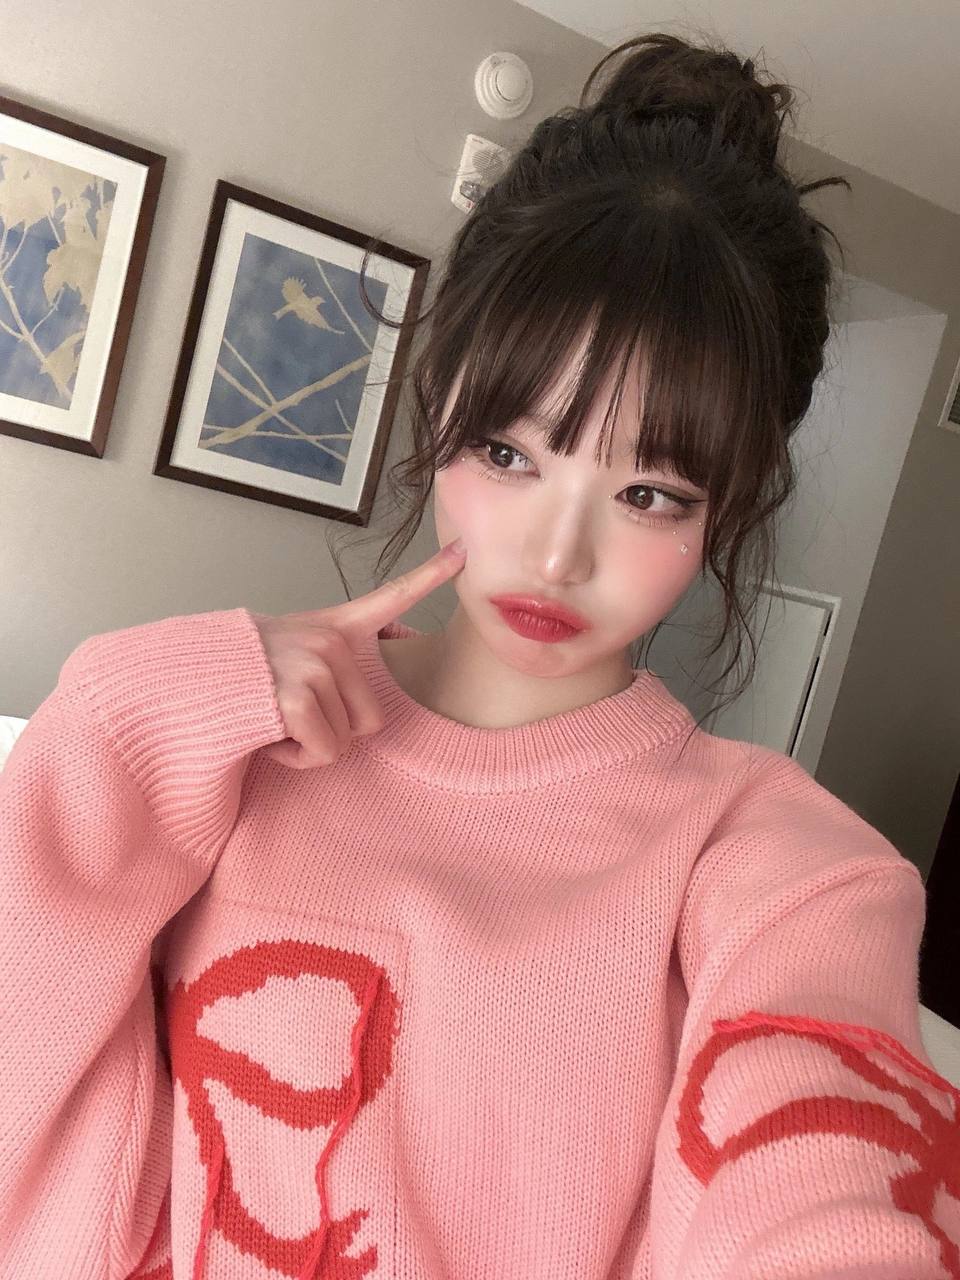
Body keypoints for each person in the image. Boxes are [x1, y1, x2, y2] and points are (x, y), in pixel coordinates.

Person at [1, 29, 957, 1280]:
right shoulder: (228, 748)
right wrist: (129, 716)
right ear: (439, 399)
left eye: (651, 493)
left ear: (731, 503)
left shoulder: (779, 868)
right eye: (510, 453)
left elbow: (823, 1170)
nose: (557, 554)